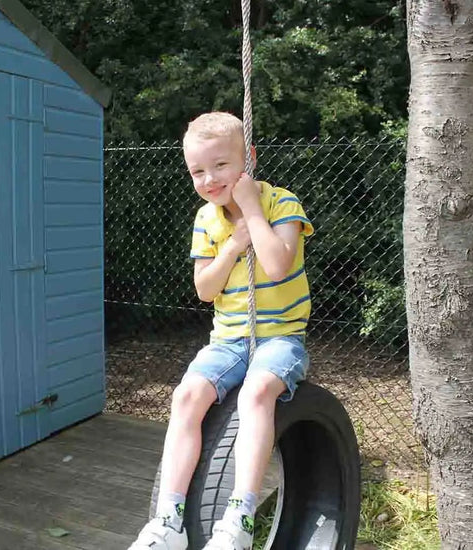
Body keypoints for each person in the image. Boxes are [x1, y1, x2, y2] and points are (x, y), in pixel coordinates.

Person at [128, 112, 314, 550]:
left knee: (257, 391)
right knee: (186, 396)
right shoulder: (206, 219)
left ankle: (240, 517)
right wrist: (233, 244)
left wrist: (251, 210)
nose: (209, 179)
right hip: (229, 340)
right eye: (197, 171)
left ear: (248, 158)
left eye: (220, 165)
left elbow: (277, 265)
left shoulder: (281, 203)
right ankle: (168, 521)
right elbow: (205, 290)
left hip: (279, 338)